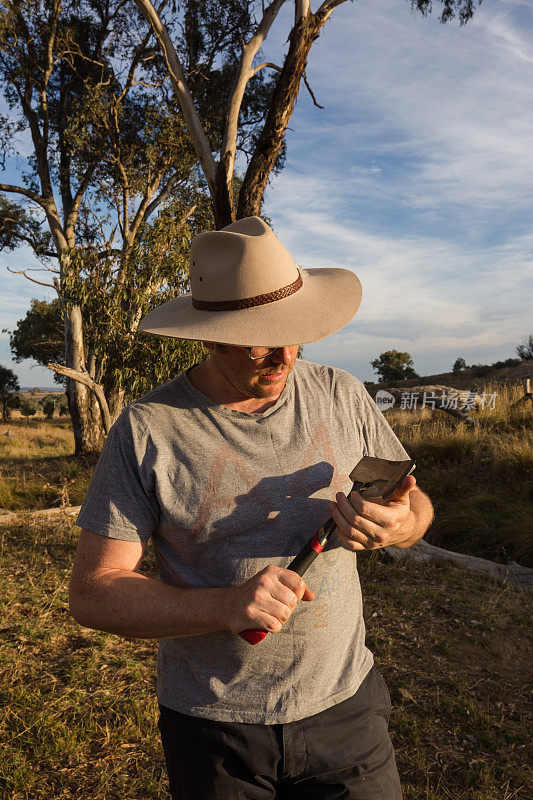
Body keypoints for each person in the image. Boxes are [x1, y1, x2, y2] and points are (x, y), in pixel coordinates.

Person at [69, 216, 434, 800]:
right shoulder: (149, 428)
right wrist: (227, 605)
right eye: (260, 340)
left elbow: (412, 500)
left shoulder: (342, 393)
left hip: (347, 711)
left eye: (295, 333)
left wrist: (400, 525)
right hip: (214, 730)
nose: (284, 355)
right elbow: (93, 592)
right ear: (208, 335)